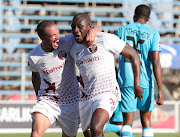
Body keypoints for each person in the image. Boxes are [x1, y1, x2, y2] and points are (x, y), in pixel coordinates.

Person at [70, 13, 143, 137]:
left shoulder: (105, 39)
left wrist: (137, 84)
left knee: (96, 126)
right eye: (73, 27)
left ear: (89, 26)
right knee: (92, 133)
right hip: (86, 96)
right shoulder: (73, 48)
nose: (76, 30)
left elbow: (134, 55)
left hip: (106, 92)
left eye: (79, 26)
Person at [28, 20, 101, 137]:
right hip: (48, 101)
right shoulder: (33, 56)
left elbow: (96, 28)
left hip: (72, 102)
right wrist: (39, 97)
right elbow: (35, 77)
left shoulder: (67, 41)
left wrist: (93, 30)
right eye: (53, 35)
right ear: (42, 38)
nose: (58, 38)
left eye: (58, 33)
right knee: (35, 133)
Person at [115, 5, 164, 137]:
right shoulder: (154, 34)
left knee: (127, 122)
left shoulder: (122, 30)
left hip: (126, 81)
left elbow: (112, 52)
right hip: (145, 82)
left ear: (134, 15)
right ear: (148, 19)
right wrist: (160, 89)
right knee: (146, 122)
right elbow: (156, 62)